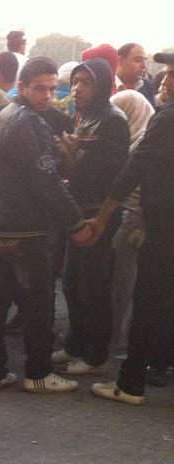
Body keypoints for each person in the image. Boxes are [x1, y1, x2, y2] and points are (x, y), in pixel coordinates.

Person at [0, 57, 95, 395]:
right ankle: (39, 372)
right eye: (40, 87)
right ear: (24, 86)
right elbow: (47, 183)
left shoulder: (0, 114)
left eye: (50, 87)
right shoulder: (31, 123)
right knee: (39, 302)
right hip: (26, 228)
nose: (47, 94)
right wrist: (77, 222)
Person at [86, 78, 174, 405]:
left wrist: (102, 217)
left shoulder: (167, 119)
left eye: (171, 74)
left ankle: (131, 383)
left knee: (149, 301)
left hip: (165, 226)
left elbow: (135, 168)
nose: (165, 81)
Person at [52, 58, 130, 376]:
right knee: (71, 283)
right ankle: (76, 342)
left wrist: (73, 154)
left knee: (93, 285)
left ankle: (96, 354)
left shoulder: (113, 119)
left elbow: (112, 170)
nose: (77, 88)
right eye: (75, 81)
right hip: (78, 210)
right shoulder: (83, 117)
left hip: (100, 214)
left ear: (101, 86)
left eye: (86, 82)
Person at [107, 90, 154, 351]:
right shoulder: (143, 137)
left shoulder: (145, 141)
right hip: (132, 217)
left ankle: (117, 337)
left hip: (134, 220)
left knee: (123, 281)